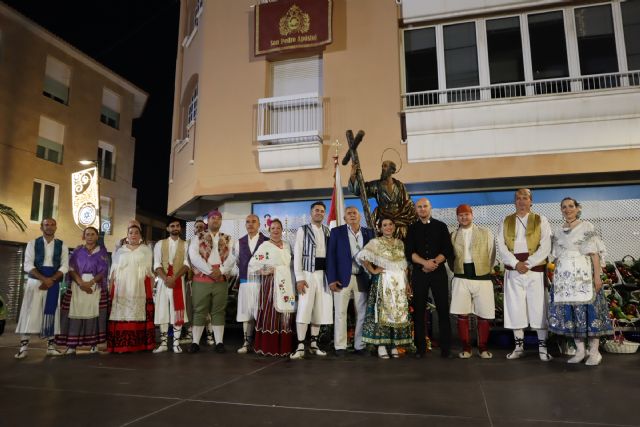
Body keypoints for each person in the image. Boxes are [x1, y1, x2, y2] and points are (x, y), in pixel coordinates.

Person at [547, 197, 612, 365]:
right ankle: (580, 351)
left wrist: (597, 276)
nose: (567, 209)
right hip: (566, 281)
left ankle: (594, 352)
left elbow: (594, 253)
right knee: (573, 314)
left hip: (583, 277)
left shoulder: (586, 226)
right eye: (564, 207)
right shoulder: (558, 230)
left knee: (590, 313)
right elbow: (557, 258)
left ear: (577, 208)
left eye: (570, 206)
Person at [497, 188, 553, 361]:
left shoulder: (540, 219)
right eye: (518, 198)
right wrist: (515, 263)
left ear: (531, 201)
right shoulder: (505, 221)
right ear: (515, 201)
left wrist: (528, 263)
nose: (521, 201)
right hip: (513, 270)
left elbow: (546, 246)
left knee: (539, 307)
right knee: (515, 308)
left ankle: (542, 348)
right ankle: (519, 347)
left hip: (534, 270)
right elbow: (501, 245)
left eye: (525, 198)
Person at [405, 198, 454, 359]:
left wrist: (433, 263)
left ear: (430, 208)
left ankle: (446, 349)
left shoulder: (441, 226)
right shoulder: (411, 229)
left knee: (443, 310)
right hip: (419, 274)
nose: (422, 209)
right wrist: (424, 263)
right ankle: (420, 349)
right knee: (418, 311)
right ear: (416, 210)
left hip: (438, 273)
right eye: (419, 207)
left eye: (425, 206)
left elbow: (447, 249)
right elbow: (409, 252)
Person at [359, 218, 413, 359]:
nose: (388, 227)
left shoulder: (400, 243)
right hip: (383, 281)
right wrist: (373, 270)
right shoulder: (375, 242)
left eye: (390, 225)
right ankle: (381, 346)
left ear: (394, 227)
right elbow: (363, 256)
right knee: (382, 313)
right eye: (385, 225)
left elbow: (404, 266)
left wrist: (407, 283)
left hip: (399, 284)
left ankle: (394, 345)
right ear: (380, 228)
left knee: (396, 312)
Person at [15, 218, 69, 359]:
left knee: (52, 312)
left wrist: (51, 279)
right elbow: (27, 265)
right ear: (41, 227)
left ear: (56, 227)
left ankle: (51, 347)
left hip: (53, 282)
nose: (49, 227)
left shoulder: (62, 245)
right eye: (46, 225)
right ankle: (24, 348)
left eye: (52, 225)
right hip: (35, 283)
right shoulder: (32, 243)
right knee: (29, 313)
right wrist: (43, 279)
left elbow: (65, 266)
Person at [326, 206, 375, 356]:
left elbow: (374, 256)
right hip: (342, 278)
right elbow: (331, 257)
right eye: (349, 213)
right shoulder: (336, 232)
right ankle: (340, 346)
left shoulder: (369, 232)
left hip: (362, 277)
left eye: (355, 213)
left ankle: (359, 345)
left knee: (362, 313)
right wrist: (332, 279)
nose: (352, 215)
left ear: (359, 216)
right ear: (345, 218)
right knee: (340, 312)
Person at [449, 204, 496, 359]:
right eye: (460, 215)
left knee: (483, 314)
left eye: (466, 214)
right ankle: (466, 348)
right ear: (457, 218)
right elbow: (450, 258)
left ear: (472, 215)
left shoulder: (485, 232)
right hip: (461, 276)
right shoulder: (453, 235)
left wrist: (485, 269)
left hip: (482, 277)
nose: (464, 217)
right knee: (462, 314)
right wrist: (457, 270)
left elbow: (491, 253)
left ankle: (482, 348)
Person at [188, 210, 236, 353]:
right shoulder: (197, 238)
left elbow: (233, 257)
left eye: (219, 218)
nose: (216, 220)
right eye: (213, 218)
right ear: (207, 221)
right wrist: (210, 271)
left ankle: (219, 343)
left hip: (220, 279)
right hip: (202, 278)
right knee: (199, 310)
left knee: (219, 311)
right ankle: (195, 342)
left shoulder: (228, 238)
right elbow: (194, 257)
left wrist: (220, 271)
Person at [56, 226, 110, 355]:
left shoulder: (102, 252)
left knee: (94, 315)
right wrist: (81, 283)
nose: (90, 237)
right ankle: (72, 345)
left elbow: (103, 271)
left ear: (97, 236)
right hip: (77, 285)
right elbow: (71, 268)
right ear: (83, 236)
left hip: (94, 286)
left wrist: (90, 283)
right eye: (87, 234)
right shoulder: (77, 251)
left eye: (92, 234)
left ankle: (93, 344)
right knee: (74, 314)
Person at [290, 202, 332, 360]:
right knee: (304, 308)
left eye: (322, 211)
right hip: (307, 274)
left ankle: (314, 345)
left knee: (319, 310)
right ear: (311, 213)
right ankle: (300, 345)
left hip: (323, 275)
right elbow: (297, 254)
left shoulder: (328, 230)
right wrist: (299, 278)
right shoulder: (303, 229)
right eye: (316, 210)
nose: (319, 213)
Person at [250, 219, 295, 356]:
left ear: (282, 230)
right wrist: (265, 270)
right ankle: (270, 347)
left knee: (285, 315)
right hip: (270, 285)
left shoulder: (287, 245)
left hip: (286, 284)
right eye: (273, 228)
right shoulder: (265, 246)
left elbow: (291, 264)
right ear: (269, 231)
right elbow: (253, 264)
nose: (276, 230)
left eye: (278, 228)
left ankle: (285, 347)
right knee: (271, 314)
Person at [107, 224, 156, 353]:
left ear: (140, 235)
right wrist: (110, 289)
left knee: (138, 314)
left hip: (139, 287)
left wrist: (151, 291)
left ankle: (138, 346)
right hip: (121, 289)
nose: (133, 235)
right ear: (127, 236)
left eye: (136, 232)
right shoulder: (120, 251)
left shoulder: (146, 250)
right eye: (131, 233)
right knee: (121, 315)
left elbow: (150, 272)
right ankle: (120, 346)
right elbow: (113, 271)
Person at [349, 160, 416, 239]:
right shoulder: (377, 185)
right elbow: (360, 191)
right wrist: (353, 175)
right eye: (382, 166)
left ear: (392, 170)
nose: (383, 168)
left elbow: (407, 203)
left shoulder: (400, 186)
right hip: (384, 221)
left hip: (399, 221)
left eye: (385, 166)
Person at [153, 218, 190, 354]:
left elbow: (187, 264)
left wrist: (174, 277)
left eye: (177, 226)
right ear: (168, 229)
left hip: (178, 281)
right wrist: (166, 279)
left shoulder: (186, 244)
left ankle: (175, 343)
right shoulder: (159, 244)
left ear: (180, 228)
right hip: (163, 282)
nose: (175, 228)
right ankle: (163, 344)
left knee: (177, 311)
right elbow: (156, 264)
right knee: (162, 310)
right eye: (172, 226)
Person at [235, 214, 267, 354]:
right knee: (245, 314)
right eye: (247, 222)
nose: (250, 224)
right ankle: (246, 342)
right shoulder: (239, 242)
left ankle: (260, 344)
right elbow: (237, 261)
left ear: (259, 224)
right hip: (245, 282)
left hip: (261, 283)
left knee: (260, 314)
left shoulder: (266, 241)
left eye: (254, 221)